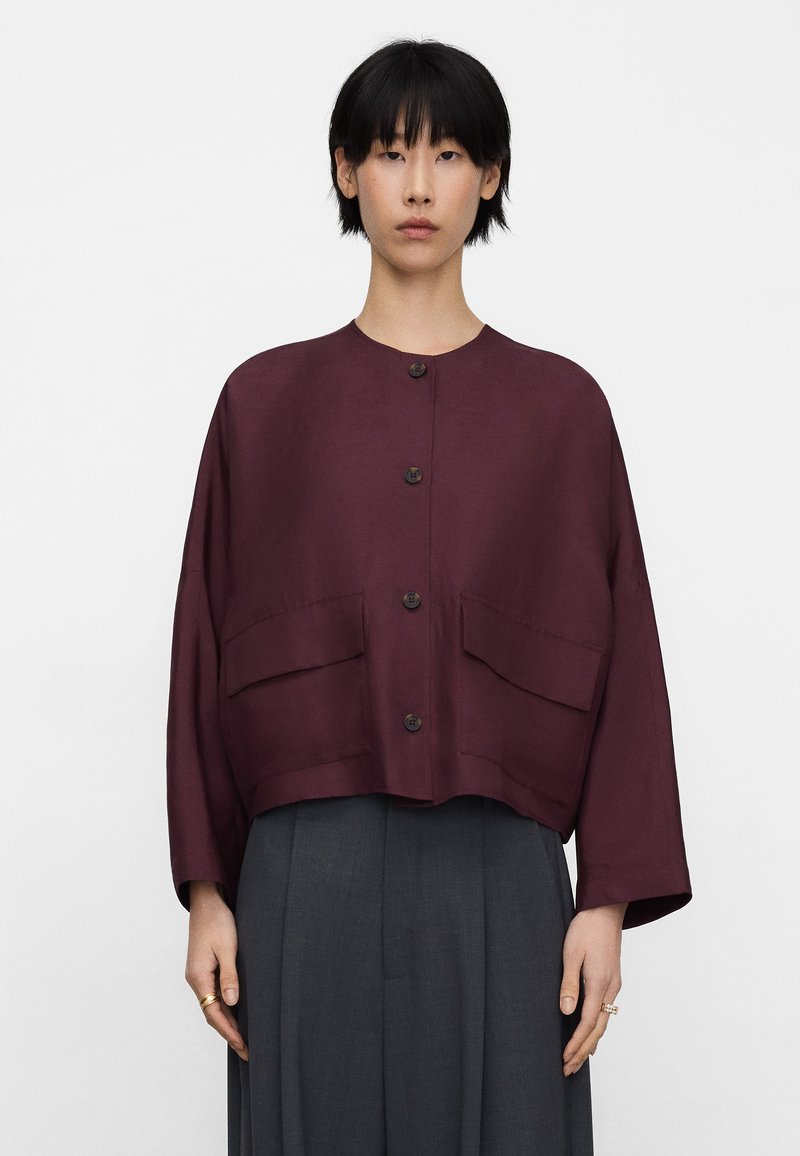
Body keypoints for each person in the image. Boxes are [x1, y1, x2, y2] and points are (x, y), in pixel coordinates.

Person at [166, 37, 692, 1155]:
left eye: (448, 154)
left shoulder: (563, 412)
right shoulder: (261, 404)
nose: (416, 185)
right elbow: (202, 645)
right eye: (389, 152)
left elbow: (628, 661)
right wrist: (208, 888)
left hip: (501, 875)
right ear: (345, 170)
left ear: (489, 176)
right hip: (302, 874)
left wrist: (604, 898)